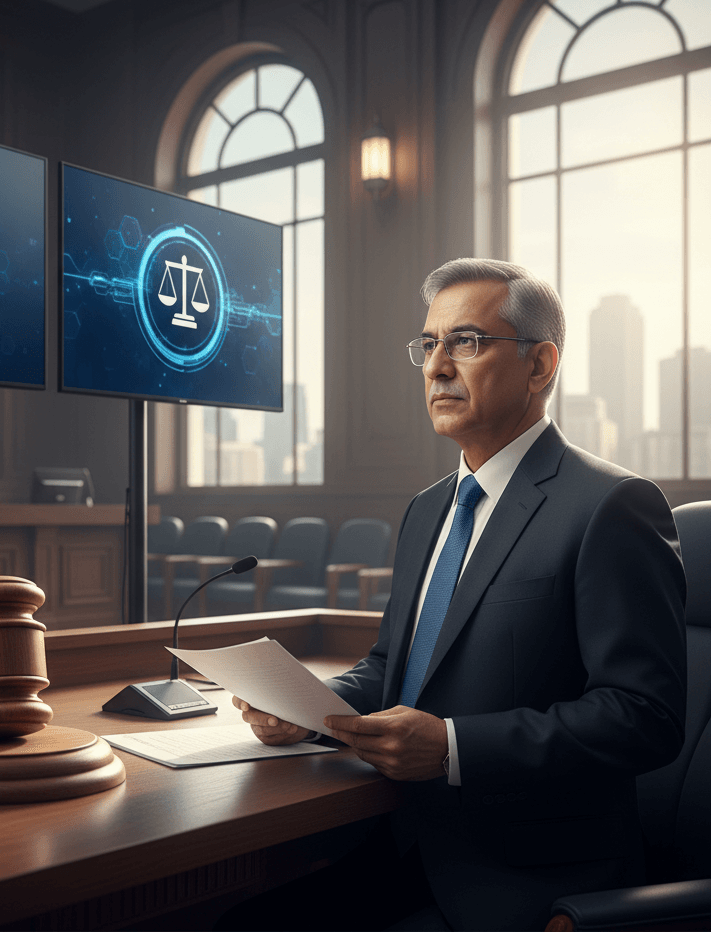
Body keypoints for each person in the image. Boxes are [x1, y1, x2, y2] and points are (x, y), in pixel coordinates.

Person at [228, 259, 687, 931]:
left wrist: (452, 747)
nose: (437, 366)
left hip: (528, 877)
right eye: (428, 344)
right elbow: (392, 665)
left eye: (466, 341)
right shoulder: (426, 510)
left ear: (541, 365)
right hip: (398, 842)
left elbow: (644, 717)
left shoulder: (612, 505)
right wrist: (311, 709)